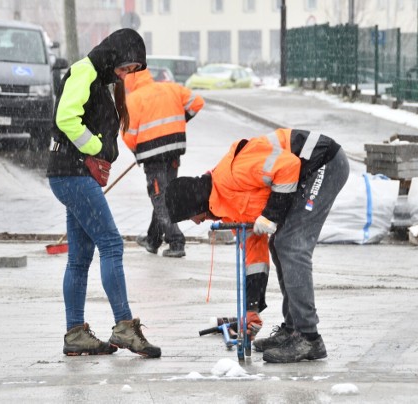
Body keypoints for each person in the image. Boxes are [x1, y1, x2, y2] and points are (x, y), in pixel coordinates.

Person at [165, 128, 349, 363]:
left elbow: (288, 166)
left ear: (196, 205)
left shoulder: (233, 174)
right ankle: (292, 331)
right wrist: (252, 309)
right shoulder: (228, 207)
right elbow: (254, 254)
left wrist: (270, 215)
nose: (198, 222)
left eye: (192, 217)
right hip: (308, 171)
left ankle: (309, 338)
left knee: (291, 245)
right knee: (278, 245)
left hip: (324, 162)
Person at [46, 28, 161, 358]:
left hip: (72, 174)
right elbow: (66, 117)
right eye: (126, 67)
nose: (126, 74)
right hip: (73, 173)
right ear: (114, 55)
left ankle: (75, 333)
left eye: (132, 71)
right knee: (111, 243)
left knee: (80, 259)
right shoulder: (85, 71)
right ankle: (124, 326)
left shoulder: (98, 78)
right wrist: (94, 150)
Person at [121, 68, 204, 258]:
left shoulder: (134, 99)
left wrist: (137, 151)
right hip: (173, 150)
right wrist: (179, 122)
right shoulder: (170, 89)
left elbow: (127, 134)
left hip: (153, 157)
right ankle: (153, 239)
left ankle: (176, 241)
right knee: (164, 196)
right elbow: (197, 102)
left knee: (160, 198)